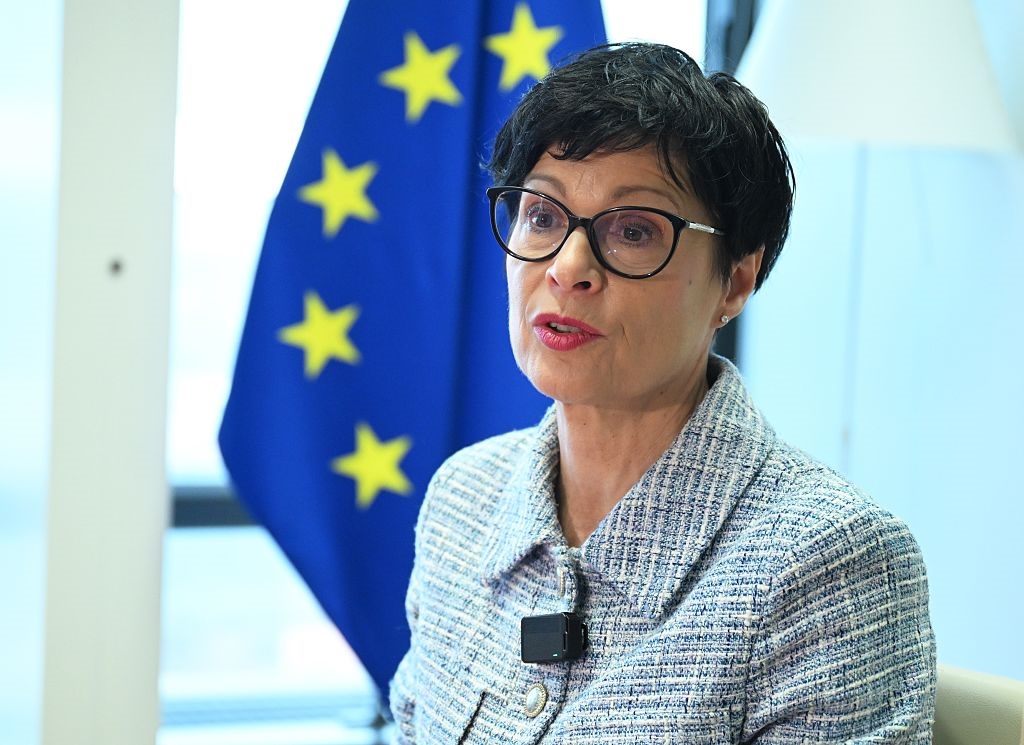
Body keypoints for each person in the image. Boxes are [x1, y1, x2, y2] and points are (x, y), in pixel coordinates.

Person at [390, 43, 935, 743]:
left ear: (735, 281)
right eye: (543, 216)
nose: (568, 268)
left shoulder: (829, 564)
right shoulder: (462, 500)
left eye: (633, 231)